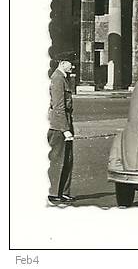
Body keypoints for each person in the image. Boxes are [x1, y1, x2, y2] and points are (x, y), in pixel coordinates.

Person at [48, 53, 76, 204]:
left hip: (65, 123)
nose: (73, 66)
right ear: (63, 63)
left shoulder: (62, 77)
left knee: (68, 159)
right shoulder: (57, 78)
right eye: (70, 63)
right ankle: (53, 192)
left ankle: (64, 192)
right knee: (58, 159)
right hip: (59, 126)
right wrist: (65, 129)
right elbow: (58, 107)